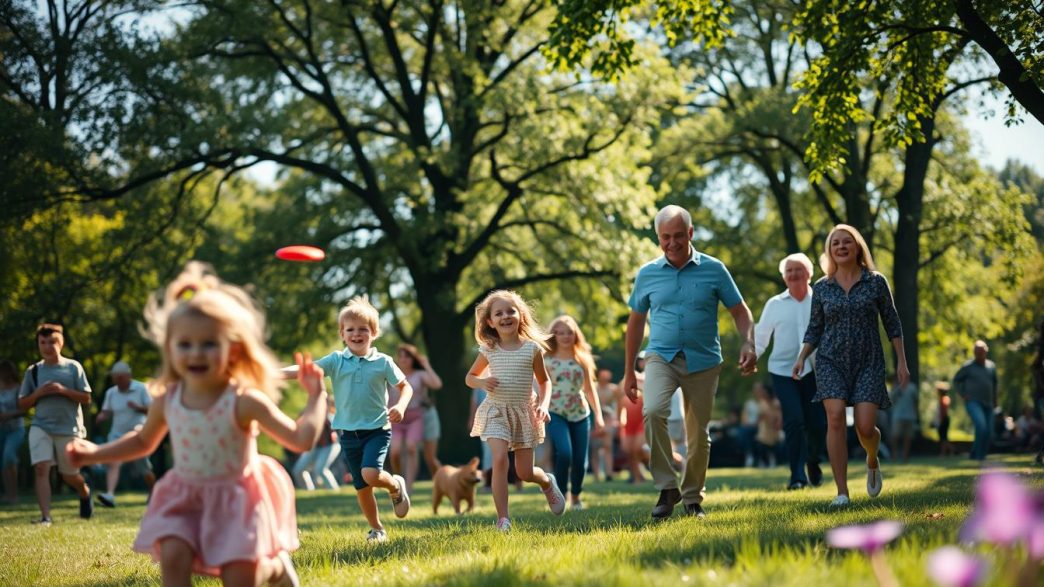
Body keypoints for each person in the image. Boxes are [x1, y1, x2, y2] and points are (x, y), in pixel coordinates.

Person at [66, 262, 326, 586]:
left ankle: (273, 567)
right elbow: (142, 441)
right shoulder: (167, 399)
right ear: (170, 349)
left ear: (233, 349)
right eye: (185, 344)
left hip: (236, 499)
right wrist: (93, 454)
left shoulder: (244, 401)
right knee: (173, 558)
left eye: (209, 344)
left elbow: (301, 439)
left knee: (239, 577)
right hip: (185, 497)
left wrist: (316, 397)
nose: (196, 354)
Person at [622, 205, 758, 520]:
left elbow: (740, 311)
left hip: (704, 360)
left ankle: (692, 497)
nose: (672, 243)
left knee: (698, 431)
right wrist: (629, 371)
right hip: (661, 356)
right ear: (658, 237)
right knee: (653, 409)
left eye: (678, 236)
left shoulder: (714, 269)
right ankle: (667, 486)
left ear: (691, 233)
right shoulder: (648, 273)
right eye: (665, 237)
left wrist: (748, 342)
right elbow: (635, 324)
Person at [793, 224, 908, 508]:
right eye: (836, 243)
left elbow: (892, 323)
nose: (841, 247)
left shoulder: (876, 282)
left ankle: (872, 458)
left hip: (869, 361)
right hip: (831, 361)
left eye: (847, 242)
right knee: (834, 419)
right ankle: (842, 492)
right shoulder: (822, 287)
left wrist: (902, 363)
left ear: (857, 247)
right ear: (830, 251)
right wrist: (801, 357)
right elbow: (815, 328)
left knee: (865, 427)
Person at [286, 296, 413, 544]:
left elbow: (405, 386)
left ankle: (395, 486)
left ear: (374, 333)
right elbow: (305, 370)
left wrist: (401, 405)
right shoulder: (336, 360)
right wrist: (271, 373)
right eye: (350, 329)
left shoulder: (383, 361)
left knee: (371, 474)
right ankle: (377, 529)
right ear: (342, 334)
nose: (356, 334)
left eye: (363, 329)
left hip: (377, 429)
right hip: (347, 433)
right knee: (362, 488)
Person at [466, 290, 565, 531]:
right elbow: (470, 377)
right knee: (499, 460)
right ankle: (503, 519)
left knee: (525, 472)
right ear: (490, 321)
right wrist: (481, 382)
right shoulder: (488, 349)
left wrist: (543, 403)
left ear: (520, 315)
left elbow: (544, 381)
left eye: (510, 311)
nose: (505, 316)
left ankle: (546, 482)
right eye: (498, 313)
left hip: (524, 413)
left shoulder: (532, 349)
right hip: (496, 411)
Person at [754, 252, 827, 489]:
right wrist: (752, 356)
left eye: (798, 270)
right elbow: (761, 336)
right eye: (789, 271)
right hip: (783, 371)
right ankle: (797, 476)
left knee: (817, 423)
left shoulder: (821, 299)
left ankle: (813, 460)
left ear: (809, 274)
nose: (794, 274)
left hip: (815, 371)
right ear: (784, 277)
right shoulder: (774, 305)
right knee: (794, 421)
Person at [17, 323, 94, 526]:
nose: (47, 346)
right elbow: (23, 403)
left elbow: (86, 398)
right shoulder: (33, 371)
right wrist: (38, 394)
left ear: (61, 342)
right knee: (41, 469)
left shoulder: (73, 367)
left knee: (69, 475)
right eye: (43, 342)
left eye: (52, 342)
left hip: (69, 428)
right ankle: (46, 517)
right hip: (41, 426)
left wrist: (63, 390)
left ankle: (84, 491)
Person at [545, 315, 604, 511]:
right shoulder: (546, 360)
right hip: (555, 413)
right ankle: (560, 496)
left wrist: (599, 416)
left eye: (569, 332)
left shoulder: (582, 358)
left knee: (580, 460)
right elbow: (538, 387)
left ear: (575, 334)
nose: (565, 336)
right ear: (553, 335)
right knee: (565, 453)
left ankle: (576, 497)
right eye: (560, 333)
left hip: (580, 413)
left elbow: (589, 389)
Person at [95, 360, 155, 507]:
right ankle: (109, 495)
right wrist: (102, 416)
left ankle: (154, 492)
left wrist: (138, 407)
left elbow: (153, 411)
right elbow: (106, 411)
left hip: (138, 434)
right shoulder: (111, 392)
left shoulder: (141, 389)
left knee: (144, 469)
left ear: (128, 376)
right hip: (117, 434)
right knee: (113, 463)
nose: (117, 381)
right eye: (115, 378)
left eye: (120, 377)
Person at [389, 344, 442, 493]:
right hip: (396, 419)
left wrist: (427, 366)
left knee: (414, 449)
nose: (404, 359)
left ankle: (409, 487)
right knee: (395, 452)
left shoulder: (419, 375)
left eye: (408, 356)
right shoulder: (390, 374)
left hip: (416, 417)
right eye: (401, 356)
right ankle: (398, 482)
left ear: (413, 359)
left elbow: (437, 384)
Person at [953, 340, 997, 461]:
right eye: (977, 352)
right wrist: (963, 394)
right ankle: (978, 457)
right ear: (974, 353)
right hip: (973, 402)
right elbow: (956, 380)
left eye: (981, 352)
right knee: (981, 425)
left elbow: (995, 384)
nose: (979, 355)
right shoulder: (968, 367)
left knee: (989, 431)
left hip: (988, 403)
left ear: (986, 352)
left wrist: (995, 400)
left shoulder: (991, 366)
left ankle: (978, 455)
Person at [292, 402, 340, 491]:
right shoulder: (307, 414)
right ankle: (309, 492)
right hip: (314, 447)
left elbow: (334, 428)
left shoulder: (329, 416)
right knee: (298, 470)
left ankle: (334, 491)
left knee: (320, 469)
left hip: (330, 446)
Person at [0, 360, 26, 504]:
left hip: (15, 429)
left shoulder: (18, 388)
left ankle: (14, 494)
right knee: (3, 462)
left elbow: (23, 410)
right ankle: (7, 494)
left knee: (9, 456)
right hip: (1, 430)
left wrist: (7, 415)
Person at [620, 355, 647, 483]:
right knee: (629, 451)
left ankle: (677, 462)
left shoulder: (644, 386)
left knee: (637, 448)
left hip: (642, 422)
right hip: (629, 424)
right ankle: (637, 477)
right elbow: (620, 408)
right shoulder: (623, 388)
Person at [590, 367, 621, 482]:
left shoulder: (613, 389)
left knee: (607, 447)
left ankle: (608, 473)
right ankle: (596, 475)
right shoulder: (594, 387)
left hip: (608, 419)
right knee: (595, 448)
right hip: (594, 420)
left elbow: (618, 405)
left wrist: (617, 420)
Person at [889, 377, 918, 463]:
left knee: (908, 437)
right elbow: (891, 400)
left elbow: (915, 401)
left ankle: (905, 457)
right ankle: (894, 455)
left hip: (910, 416)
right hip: (897, 416)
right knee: (895, 436)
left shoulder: (912, 387)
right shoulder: (896, 388)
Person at [1031, 321, 1044, 465]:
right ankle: (1040, 454)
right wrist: (1041, 386)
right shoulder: (1042, 348)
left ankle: (1040, 454)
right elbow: (1035, 368)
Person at [933, 382, 954, 457]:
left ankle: (944, 452)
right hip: (943, 419)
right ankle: (948, 451)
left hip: (944, 420)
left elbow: (943, 412)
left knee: (943, 438)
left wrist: (940, 421)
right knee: (943, 438)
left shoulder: (944, 399)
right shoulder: (943, 399)